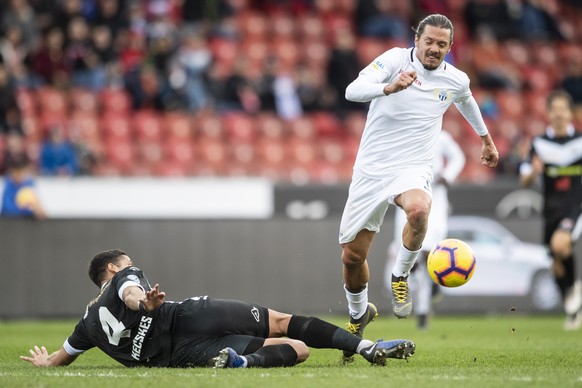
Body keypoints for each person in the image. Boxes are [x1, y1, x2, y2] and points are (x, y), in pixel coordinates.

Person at [338, 13, 498, 360]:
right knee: (352, 257)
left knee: (420, 209)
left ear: (450, 47)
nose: (435, 48)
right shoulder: (394, 60)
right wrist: (389, 87)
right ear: (417, 39)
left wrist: (486, 139)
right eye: (429, 41)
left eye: (442, 44)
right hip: (371, 170)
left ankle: (400, 275)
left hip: (412, 167)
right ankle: (358, 314)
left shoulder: (455, 79)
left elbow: (466, 99)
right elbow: (352, 91)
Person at [20, 249, 416, 369]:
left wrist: (43, 363)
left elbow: (61, 359)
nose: (131, 264)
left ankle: (243, 365)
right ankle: (365, 347)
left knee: (300, 351)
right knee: (282, 324)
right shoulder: (124, 277)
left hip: (176, 356)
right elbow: (130, 295)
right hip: (186, 316)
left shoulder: (86, 324)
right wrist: (146, 303)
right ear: (112, 268)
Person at [388, 129, 466, 330]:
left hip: (435, 199)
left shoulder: (441, 135)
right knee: (410, 260)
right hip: (406, 197)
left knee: (426, 254)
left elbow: (458, 157)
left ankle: (423, 310)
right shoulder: (401, 133)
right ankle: (422, 296)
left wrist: (447, 176)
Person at [519, 90, 582, 331]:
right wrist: (534, 172)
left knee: (560, 245)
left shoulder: (579, 141)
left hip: (575, 206)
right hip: (551, 209)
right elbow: (524, 179)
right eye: (554, 109)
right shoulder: (538, 144)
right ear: (548, 113)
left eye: (563, 109)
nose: (559, 114)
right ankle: (572, 302)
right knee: (556, 264)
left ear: (570, 112)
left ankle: (575, 288)